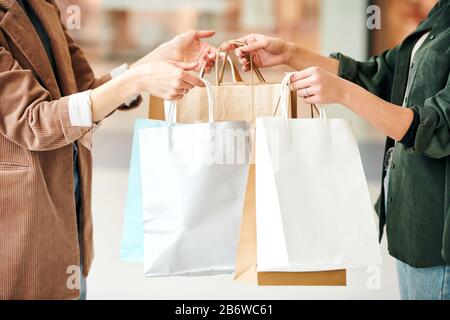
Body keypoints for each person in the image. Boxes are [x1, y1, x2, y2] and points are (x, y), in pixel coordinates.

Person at [226, 0, 450, 300]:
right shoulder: (441, 14)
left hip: (438, 233)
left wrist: (342, 93)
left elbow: (435, 127)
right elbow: (378, 76)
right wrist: (290, 54)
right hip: (411, 221)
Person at [0, 0, 216, 299]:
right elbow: (33, 121)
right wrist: (137, 79)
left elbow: (87, 93)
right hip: (22, 232)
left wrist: (154, 60)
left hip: (68, 217)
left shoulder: (41, 5)